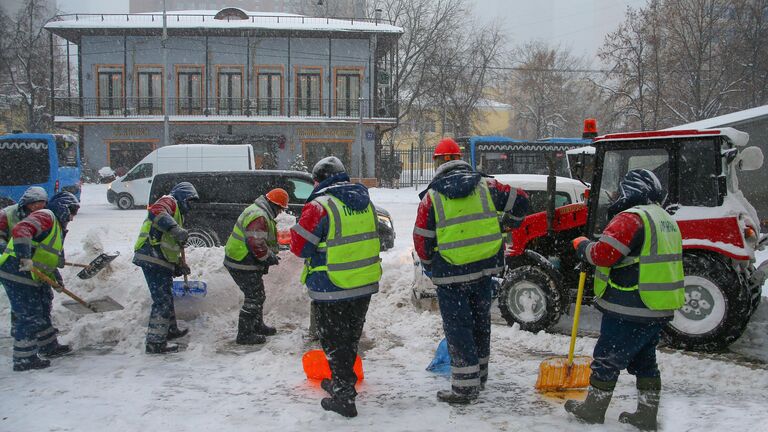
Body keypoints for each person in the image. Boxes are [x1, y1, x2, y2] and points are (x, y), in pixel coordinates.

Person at [565, 169, 684, 431]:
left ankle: (593, 409)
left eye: (620, 191)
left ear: (630, 191)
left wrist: (583, 246)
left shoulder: (631, 219)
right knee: (645, 360)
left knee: (607, 357)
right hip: (657, 305)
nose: (617, 196)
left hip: (630, 304)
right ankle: (646, 414)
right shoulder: (665, 219)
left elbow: (604, 255)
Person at [413, 137, 529, 404]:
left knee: (458, 328)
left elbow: (422, 239)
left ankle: (465, 388)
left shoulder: (432, 197)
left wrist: (432, 264)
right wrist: (507, 225)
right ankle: (481, 375)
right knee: (480, 323)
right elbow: (521, 199)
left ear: (438, 163)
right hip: (484, 268)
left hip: (450, 273)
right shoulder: (486, 185)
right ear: (460, 158)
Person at [290, 156, 382, 418]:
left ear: (318, 180)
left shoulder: (320, 206)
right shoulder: (366, 203)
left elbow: (300, 247)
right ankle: (343, 382)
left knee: (333, 341)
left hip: (332, 286)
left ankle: (344, 398)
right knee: (350, 339)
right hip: (363, 284)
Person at [0, 192, 80, 371]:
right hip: (16, 270)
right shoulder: (46, 215)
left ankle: (48, 346)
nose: (72, 218)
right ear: (63, 207)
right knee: (28, 313)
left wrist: (56, 279)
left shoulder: (56, 227)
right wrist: (24, 257)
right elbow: (21, 230)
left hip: (30, 273)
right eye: (72, 212)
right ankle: (24, 359)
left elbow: (46, 259)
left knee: (42, 306)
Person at [133, 182, 199, 354]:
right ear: (183, 197)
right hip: (150, 255)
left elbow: (168, 245)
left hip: (159, 259)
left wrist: (178, 266)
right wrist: (175, 229)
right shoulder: (169, 201)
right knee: (161, 301)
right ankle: (155, 342)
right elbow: (155, 211)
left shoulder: (178, 214)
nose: (191, 205)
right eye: (190, 200)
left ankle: (170, 330)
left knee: (166, 297)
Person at [224, 188, 289, 345]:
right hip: (242, 261)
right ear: (274, 205)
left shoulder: (258, 211)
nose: (280, 212)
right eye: (280, 208)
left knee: (258, 294)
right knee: (254, 297)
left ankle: (256, 325)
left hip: (242, 259)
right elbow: (256, 242)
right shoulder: (260, 216)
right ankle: (245, 334)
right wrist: (268, 257)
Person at [0, 186, 49, 253]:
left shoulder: (45, 216)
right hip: (10, 256)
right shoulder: (6, 214)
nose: (35, 211)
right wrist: (6, 250)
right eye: (35, 206)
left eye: (41, 208)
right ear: (28, 202)